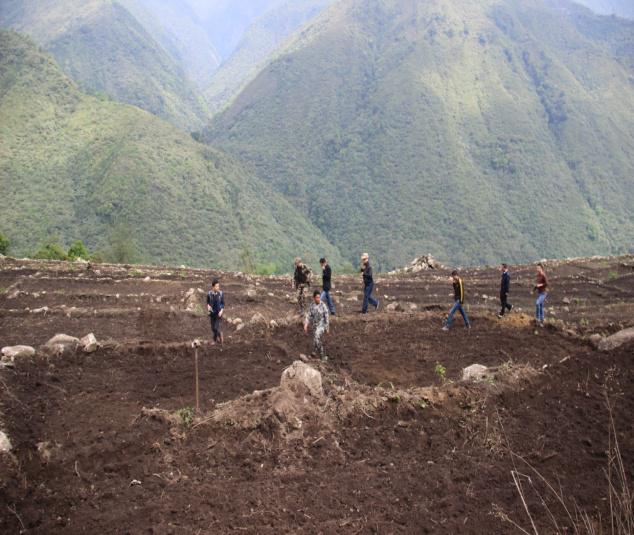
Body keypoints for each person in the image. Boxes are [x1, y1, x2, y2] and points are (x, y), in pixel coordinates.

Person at [304, 290, 330, 361]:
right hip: (314, 326)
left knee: (316, 337)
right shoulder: (312, 305)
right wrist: (306, 324)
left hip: (321, 325)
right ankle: (314, 353)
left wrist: (327, 327)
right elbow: (308, 316)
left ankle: (323, 355)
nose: (318, 299)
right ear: (314, 298)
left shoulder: (323, 305)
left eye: (319, 297)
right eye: (317, 297)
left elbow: (327, 317)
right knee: (315, 339)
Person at [206, 279, 225, 344]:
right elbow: (208, 302)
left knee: (215, 327)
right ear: (213, 287)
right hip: (212, 313)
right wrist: (208, 308)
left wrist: (221, 311)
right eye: (216, 286)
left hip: (218, 313)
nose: (218, 288)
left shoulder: (221, 294)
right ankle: (219, 335)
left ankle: (214, 340)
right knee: (212, 328)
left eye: (218, 286)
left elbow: (223, 303)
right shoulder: (209, 294)